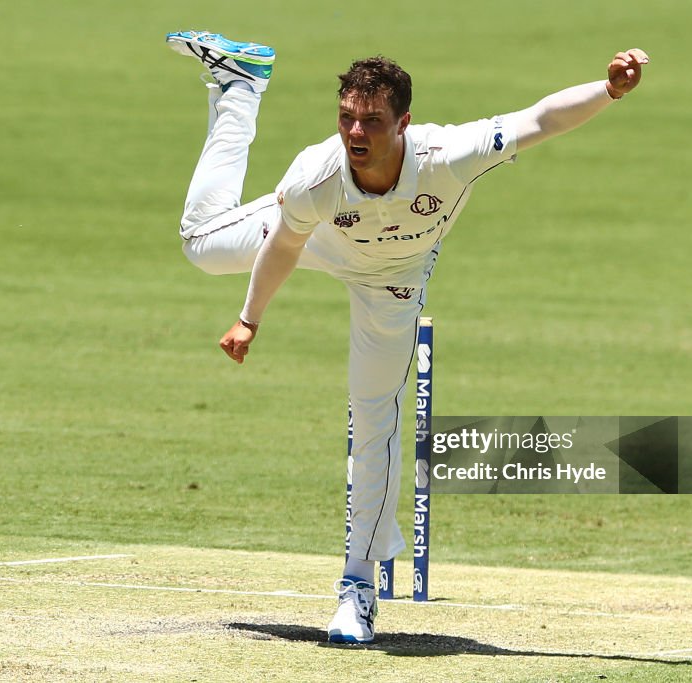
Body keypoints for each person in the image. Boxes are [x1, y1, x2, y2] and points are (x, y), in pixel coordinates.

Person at [165, 30, 649, 644]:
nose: (356, 133)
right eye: (346, 118)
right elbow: (283, 244)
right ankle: (242, 84)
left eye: (371, 120)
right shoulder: (317, 172)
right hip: (317, 236)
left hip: (391, 284)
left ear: (404, 123)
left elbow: (539, 120)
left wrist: (609, 89)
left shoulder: (451, 154)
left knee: (375, 421)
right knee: (201, 244)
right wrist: (250, 318)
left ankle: (357, 591)